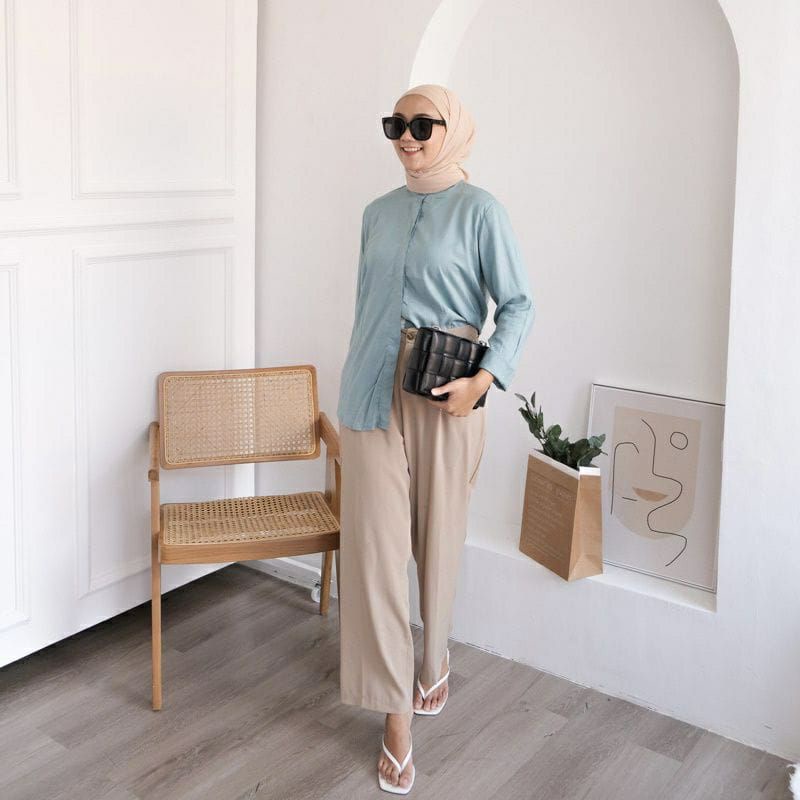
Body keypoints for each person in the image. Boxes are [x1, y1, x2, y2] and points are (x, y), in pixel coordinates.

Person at [335, 83, 536, 794]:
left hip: (448, 392)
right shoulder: (376, 213)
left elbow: (518, 304)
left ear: (452, 130)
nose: (406, 137)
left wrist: (485, 380)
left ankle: (434, 658)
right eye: (396, 123)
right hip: (369, 392)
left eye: (422, 125)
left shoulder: (481, 211)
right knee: (375, 554)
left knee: (437, 540)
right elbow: (365, 307)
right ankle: (395, 716)